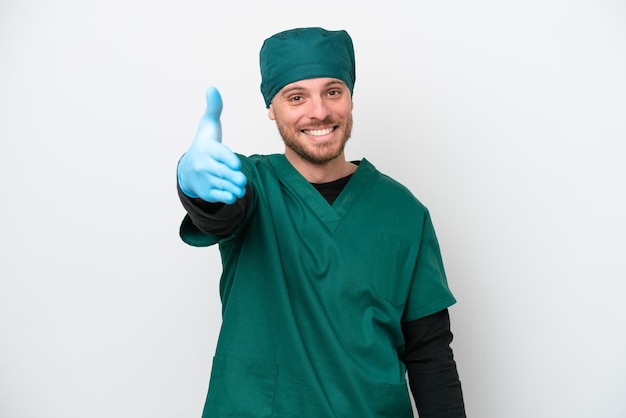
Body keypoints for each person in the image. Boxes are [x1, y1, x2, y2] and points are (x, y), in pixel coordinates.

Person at [177, 27, 466, 418]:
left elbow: (430, 354)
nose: (319, 112)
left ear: (350, 97)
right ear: (271, 108)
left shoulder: (404, 213)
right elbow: (220, 212)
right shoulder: (252, 186)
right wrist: (192, 182)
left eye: (333, 91)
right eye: (296, 97)